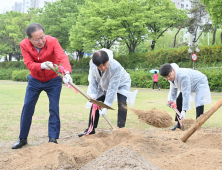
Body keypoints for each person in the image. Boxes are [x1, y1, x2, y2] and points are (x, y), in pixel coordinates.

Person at [12, 23, 73, 149]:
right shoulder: (24, 45)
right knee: (27, 106)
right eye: (36, 39)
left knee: (54, 108)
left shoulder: (53, 41)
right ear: (29, 39)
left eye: (42, 37)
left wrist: (66, 72)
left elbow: (62, 56)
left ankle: (53, 139)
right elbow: (28, 64)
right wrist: (41, 66)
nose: (41, 41)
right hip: (35, 80)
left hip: (53, 80)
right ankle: (22, 138)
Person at [78, 48, 134, 137]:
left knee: (122, 103)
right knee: (95, 103)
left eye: (105, 64)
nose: (103, 68)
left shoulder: (116, 67)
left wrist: (106, 106)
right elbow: (93, 79)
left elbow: (112, 88)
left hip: (122, 83)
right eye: (100, 66)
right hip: (103, 84)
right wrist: (93, 93)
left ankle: (121, 130)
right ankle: (91, 129)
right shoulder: (92, 64)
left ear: (108, 60)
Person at [159, 63, 212, 131]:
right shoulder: (170, 78)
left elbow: (186, 94)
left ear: (173, 70)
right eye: (166, 77)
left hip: (199, 82)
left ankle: (198, 126)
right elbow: (173, 90)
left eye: (169, 76)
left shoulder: (183, 76)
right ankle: (179, 125)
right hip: (189, 84)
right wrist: (171, 101)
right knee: (179, 99)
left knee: (199, 102)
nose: (168, 78)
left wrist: (184, 110)